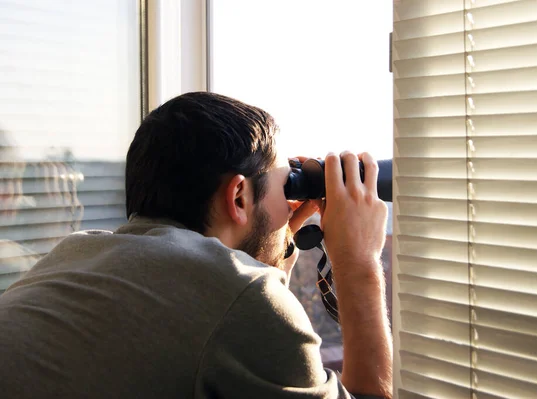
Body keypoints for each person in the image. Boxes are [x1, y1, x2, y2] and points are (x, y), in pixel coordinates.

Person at [0, 92, 392, 398]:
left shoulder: (74, 253)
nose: (289, 203)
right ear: (239, 195)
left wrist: (270, 262)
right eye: (282, 184)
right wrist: (358, 262)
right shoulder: (243, 295)